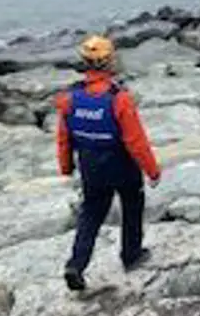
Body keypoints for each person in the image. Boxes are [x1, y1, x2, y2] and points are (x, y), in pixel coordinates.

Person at [56, 35, 161, 292]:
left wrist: (66, 167)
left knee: (90, 213)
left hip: (90, 164)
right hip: (121, 163)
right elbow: (136, 140)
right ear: (109, 62)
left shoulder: (70, 98)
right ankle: (131, 254)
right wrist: (152, 170)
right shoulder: (119, 99)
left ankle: (76, 265)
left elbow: (63, 137)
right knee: (132, 203)